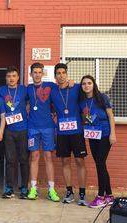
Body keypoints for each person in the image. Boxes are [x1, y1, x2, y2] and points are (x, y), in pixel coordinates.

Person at [50, 63, 88, 206]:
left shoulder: (77, 87)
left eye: (63, 72)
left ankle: (82, 193)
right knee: (65, 162)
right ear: (55, 76)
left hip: (77, 132)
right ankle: (69, 192)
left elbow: (90, 92)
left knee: (80, 162)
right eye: (58, 73)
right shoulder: (53, 91)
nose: (61, 75)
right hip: (62, 133)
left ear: (67, 74)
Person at [79, 75, 116, 208]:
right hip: (92, 136)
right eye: (84, 84)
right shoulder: (82, 102)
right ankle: (110, 195)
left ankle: (101, 196)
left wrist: (113, 133)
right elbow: (85, 119)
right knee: (100, 164)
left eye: (89, 83)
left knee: (100, 163)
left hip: (105, 135)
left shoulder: (102, 97)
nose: (86, 86)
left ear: (93, 84)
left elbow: (111, 116)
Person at [26, 63, 60, 201]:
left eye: (40, 72)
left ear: (43, 73)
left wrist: (71, 82)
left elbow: (63, 88)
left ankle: (51, 190)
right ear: (31, 74)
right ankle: (33, 188)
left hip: (48, 127)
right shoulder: (27, 89)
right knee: (34, 157)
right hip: (32, 127)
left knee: (48, 157)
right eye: (35, 72)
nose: (37, 74)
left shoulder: (51, 86)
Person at [0, 66, 29, 199]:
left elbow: (33, 100)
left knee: (23, 159)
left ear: (18, 77)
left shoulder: (24, 89)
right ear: (6, 78)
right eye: (9, 76)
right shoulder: (1, 90)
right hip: (8, 130)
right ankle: (9, 188)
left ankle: (24, 188)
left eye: (14, 76)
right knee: (10, 160)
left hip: (23, 129)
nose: (11, 78)